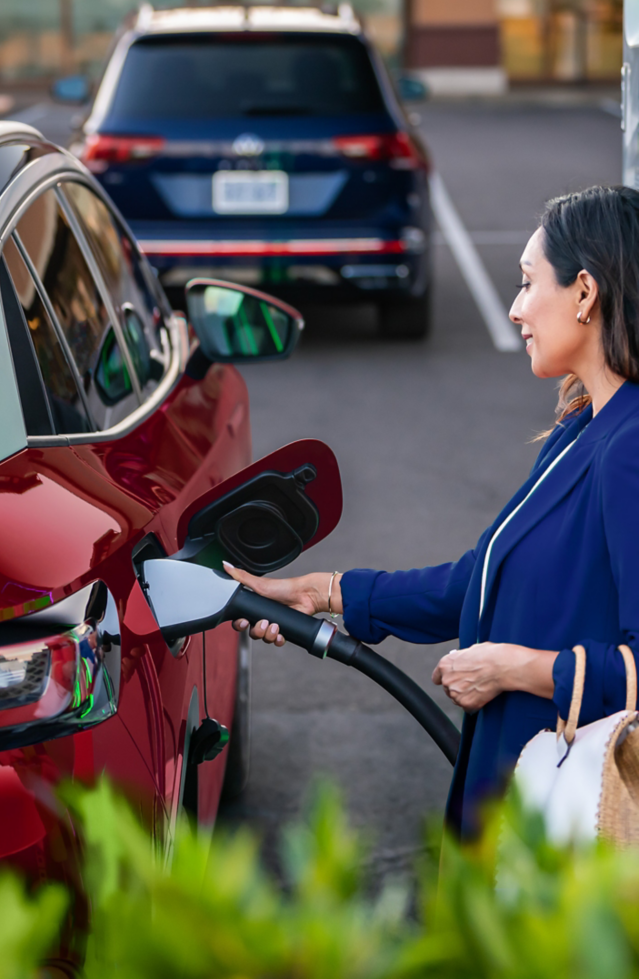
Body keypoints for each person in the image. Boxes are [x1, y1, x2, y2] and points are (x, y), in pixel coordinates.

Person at [226, 185, 639, 837]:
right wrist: (323, 591)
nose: (514, 308)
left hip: (573, 825)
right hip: (533, 801)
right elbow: (478, 580)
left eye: (530, 283)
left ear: (585, 293)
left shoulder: (628, 448)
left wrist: (513, 668)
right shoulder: (585, 426)